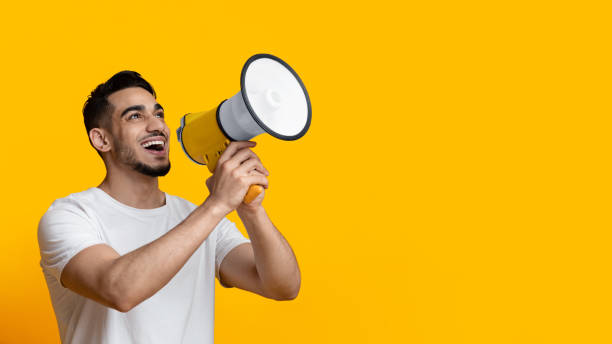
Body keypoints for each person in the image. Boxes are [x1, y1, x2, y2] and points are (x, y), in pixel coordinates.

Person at [37, 71, 301, 344]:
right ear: (101, 140)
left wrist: (251, 211)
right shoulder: (70, 215)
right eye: (135, 116)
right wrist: (218, 204)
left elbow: (283, 286)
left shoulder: (200, 219)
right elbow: (119, 290)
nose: (157, 126)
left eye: (159, 114)